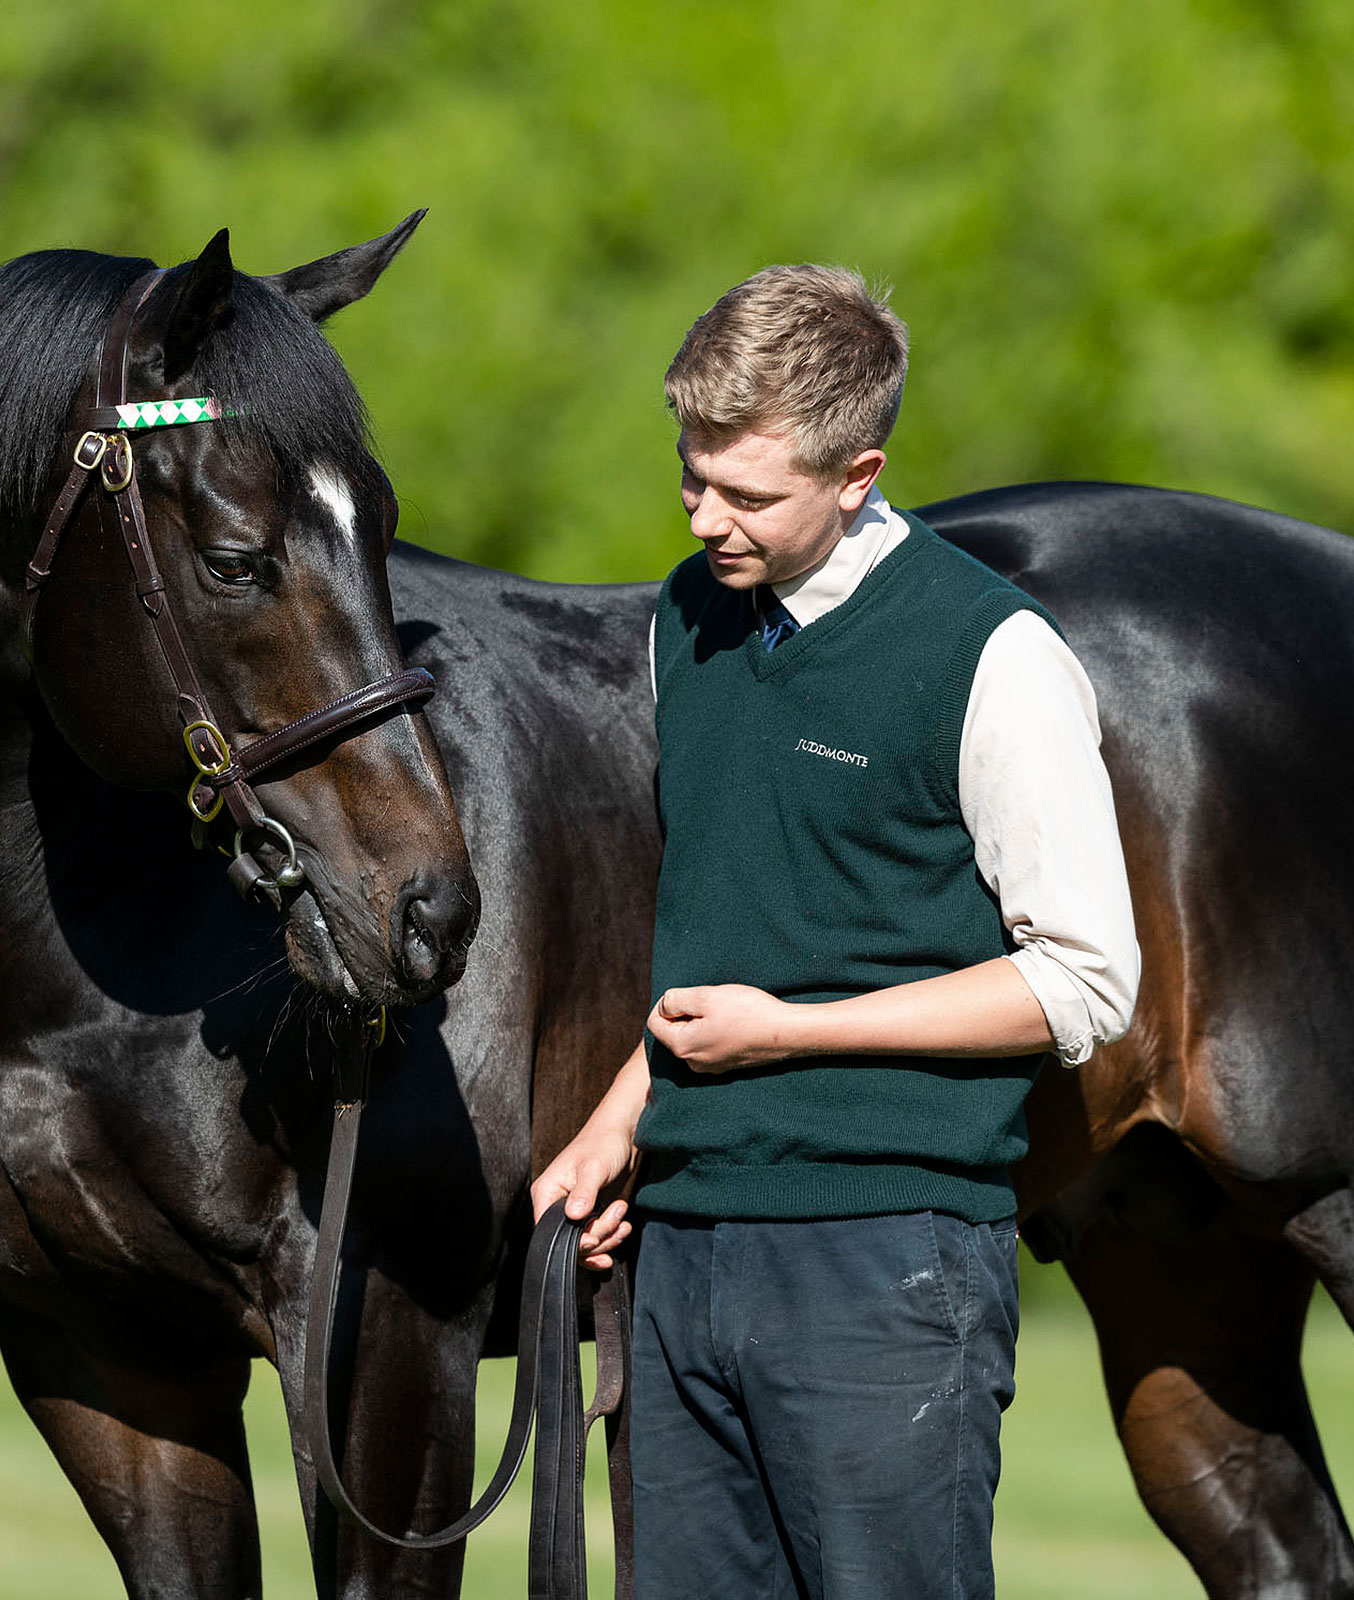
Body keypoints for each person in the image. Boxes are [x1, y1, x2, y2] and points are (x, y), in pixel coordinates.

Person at [529, 263, 1141, 1599]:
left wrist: (791, 1034)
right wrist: (618, 1118)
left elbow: (1087, 985)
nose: (704, 518)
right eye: (691, 477)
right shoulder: (685, 624)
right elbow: (727, 927)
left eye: (748, 495)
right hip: (682, 1251)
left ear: (860, 475)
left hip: (891, 1260)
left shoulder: (993, 655)